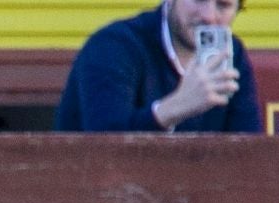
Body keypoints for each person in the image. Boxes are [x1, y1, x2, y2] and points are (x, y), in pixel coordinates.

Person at [54, 0, 261, 133]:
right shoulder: (114, 45)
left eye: (223, 5)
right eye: (198, 0)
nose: (208, 15)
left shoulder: (232, 54)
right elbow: (103, 141)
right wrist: (174, 107)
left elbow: (249, 147)